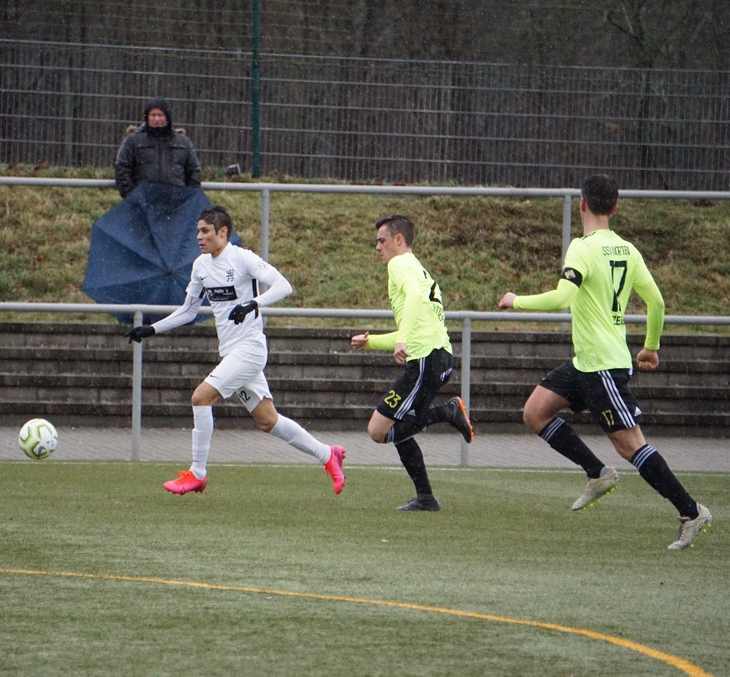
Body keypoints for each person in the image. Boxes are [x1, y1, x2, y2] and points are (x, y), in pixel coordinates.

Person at [498, 174, 711, 550]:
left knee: (630, 446)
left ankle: (691, 511)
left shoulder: (582, 248)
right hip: (586, 362)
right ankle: (597, 473)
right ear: (614, 207)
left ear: (581, 204)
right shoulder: (628, 250)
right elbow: (657, 303)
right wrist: (650, 347)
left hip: (602, 367)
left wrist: (517, 301)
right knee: (535, 412)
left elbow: (561, 298)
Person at [125, 205, 346, 495]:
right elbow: (189, 310)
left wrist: (253, 303)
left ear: (223, 232)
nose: (199, 237)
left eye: (205, 231)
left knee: (200, 397)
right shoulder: (200, 266)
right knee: (268, 420)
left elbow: (283, 286)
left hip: (250, 349)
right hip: (231, 352)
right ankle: (328, 454)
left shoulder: (243, 258)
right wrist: (152, 328)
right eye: (197, 231)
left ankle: (197, 473)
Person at [351, 214, 474, 512]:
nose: (377, 247)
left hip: (425, 361)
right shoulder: (418, 269)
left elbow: (415, 301)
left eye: (381, 241)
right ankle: (426, 497)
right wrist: (373, 342)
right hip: (436, 357)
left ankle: (448, 411)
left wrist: (403, 340)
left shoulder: (399, 264)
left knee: (378, 431)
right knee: (399, 429)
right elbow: (416, 322)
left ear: (398, 239)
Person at [114, 97, 202, 199]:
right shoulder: (133, 141)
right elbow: (122, 169)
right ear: (147, 117)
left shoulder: (183, 143)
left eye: (160, 115)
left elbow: (194, 172)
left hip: (175, 202)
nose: (156, 119)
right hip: (143, 202)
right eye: (153, 115)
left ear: (167, 117)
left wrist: (187, 197)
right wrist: (132, 197)